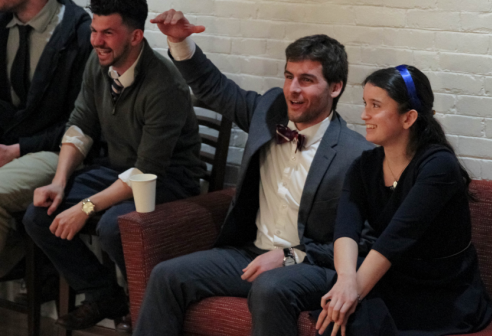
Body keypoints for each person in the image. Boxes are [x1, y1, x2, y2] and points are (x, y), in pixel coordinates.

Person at [132, 9, 374, 336]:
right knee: (166, 275)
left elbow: (365, 244)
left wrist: (287, 257)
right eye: (289, 76)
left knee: (270, 288)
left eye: (306, 80)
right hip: (247, 251)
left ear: (335, 88)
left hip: (309, 263)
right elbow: (214, 87)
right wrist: (179, 41)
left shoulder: (357, 154)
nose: (293, 89)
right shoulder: (269, 110)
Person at [22, 0, 206, 330]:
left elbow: (147, 169)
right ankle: (105, 295)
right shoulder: (99, 63)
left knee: (111, 224)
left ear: (135, 37)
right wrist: (60, 182)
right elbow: (80, 125)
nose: (96, 41)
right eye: (94, 31)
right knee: (38, 215)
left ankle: (146, 310)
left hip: (167, 181)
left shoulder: (165, 85)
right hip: (118, 170)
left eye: (107, 33)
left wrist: (86, 207)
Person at [315, 66, 492, 336]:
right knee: (338, 313)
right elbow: (346, 228)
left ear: (408, 118)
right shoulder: (365, 166)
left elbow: (396, 238)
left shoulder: (439, 166)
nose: (364, 115)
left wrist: (350, 294)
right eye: (365, 104)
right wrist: (346, 280)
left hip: (441, 292)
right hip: (393, 279)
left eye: (375, 105)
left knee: (348, 316)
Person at [0, 0, 91, 279]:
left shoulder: (80, 32)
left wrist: (18, 149)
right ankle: (25, 253)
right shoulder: (4, 24)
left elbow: (82, 121)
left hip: (56, 150)